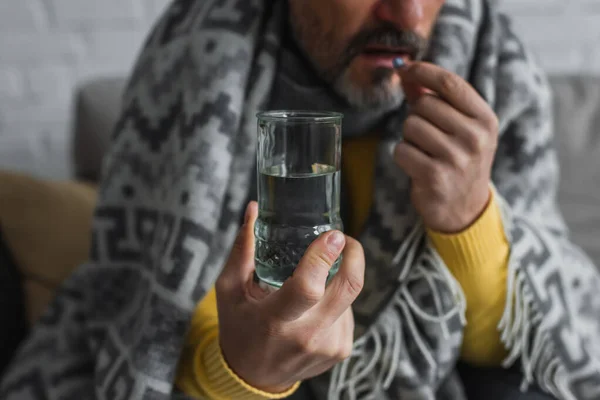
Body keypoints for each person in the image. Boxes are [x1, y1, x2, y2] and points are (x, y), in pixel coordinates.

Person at [2, 0, 600, 399]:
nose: (409, 17)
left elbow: (537, 347)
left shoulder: (490, 64)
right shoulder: (198, 62)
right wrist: (241, 374)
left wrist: (470, 219)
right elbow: (155, 312)